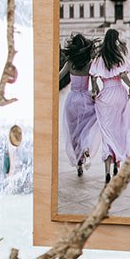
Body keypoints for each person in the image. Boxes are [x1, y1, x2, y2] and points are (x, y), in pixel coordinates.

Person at [88, 28, 130, 183]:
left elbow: (94, 77)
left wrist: (96, 90)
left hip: (106, 95)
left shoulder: (99, 58)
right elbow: (122, 74)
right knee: (119, 129)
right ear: (115, 39)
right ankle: (117, 162)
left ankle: (107, 170)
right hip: (119, 94)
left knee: (106, 133)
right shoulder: (118, 55)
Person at [57, 33, 98, 176]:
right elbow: (94, 87)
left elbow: (58, 77)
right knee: (86, 128)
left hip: (72, 100)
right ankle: (86, 146)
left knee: (73, 133)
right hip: (86, 98)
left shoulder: (69, 64)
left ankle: (79, 164)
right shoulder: (90, 65)